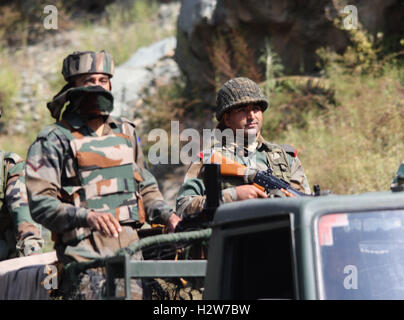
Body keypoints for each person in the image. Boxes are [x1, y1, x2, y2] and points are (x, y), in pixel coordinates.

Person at [25, 50, 181, 298]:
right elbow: (41, 204)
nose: (97, 87)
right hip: (86, 266)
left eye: (103, 80)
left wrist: (168, 216)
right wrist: (87, 217)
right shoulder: (53, 139)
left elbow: (146, 187)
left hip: (133, 263)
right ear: (73, 87)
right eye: (89, 81)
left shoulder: (126, 132)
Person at [176, 77, 311, 217]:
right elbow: (182, 208)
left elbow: (306, 206)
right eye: (242, 110)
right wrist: (233, 196)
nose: (251, 115)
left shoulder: (285, 158)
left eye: (256, 109)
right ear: (227, 119)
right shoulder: (209, 159)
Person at [0, 109, 43, 261]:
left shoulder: (9, 165)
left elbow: (24, 217)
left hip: (3, 268)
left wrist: (33, 255)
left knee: (49, 278)